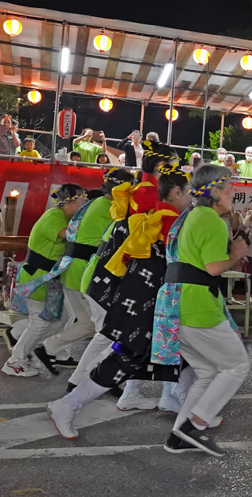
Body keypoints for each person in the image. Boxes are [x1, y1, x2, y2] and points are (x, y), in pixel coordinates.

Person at [46, 166, 194, 439]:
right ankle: (68, 404)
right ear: (175, 191)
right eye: (188, 193)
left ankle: (179, 402)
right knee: (130, 354)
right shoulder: (166, 215)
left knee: (166, 351)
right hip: (144, 297)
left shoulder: (152, 209)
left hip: (147, 295)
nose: (192, 198)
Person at [149, 164, 250, 456]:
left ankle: (179, 436)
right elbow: (213, 268)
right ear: (216, 191)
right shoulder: (212, 221)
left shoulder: (192, 215)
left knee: (206, 372)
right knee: (236, 366)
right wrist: (236, 254)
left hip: (176, 303)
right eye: (228, 186)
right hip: (198, 307)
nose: (233, 191)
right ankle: (196, 424)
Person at [68, 142, 179, 391]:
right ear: (162, 166)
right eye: (174, 164)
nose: (178, 169)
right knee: (118, 333)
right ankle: (88, 384)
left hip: (125, 267)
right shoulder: (151, 191)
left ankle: (100, 384)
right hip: (135, 270)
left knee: (122, 333)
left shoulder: (143, 187)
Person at [31, 169, 135, 377]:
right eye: (131, 187)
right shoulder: (110, 208)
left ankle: (51, 348)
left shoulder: (96, 203)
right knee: (106, 328)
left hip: (73, 269)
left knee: (88, 323)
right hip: (84, 271)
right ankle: (97, 375)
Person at [3, 184, 87, 377]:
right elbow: (71, 236)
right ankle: (15, 361)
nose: (85, 204)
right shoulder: (53, 217)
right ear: (70, 202)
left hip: (51, 278)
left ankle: (25, 341)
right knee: (40, 323)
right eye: (82, 200)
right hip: (37, 276)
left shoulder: (63, 217)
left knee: (62, 319)